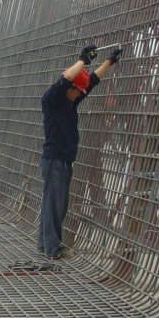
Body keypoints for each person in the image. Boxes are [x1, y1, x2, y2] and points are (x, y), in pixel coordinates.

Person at [38, 44, 122, 260]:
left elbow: (92, 81)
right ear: (70, 87)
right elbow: (66, 77)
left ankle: (45, 245)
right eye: (77, 91)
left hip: (64, 160)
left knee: (57, 205)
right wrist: (82, 59)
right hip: (55, 160)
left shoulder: (70, 103)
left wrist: (109, 62)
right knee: (54, 205)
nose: (79, 95)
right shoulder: (52, 100)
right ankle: (53, 248)